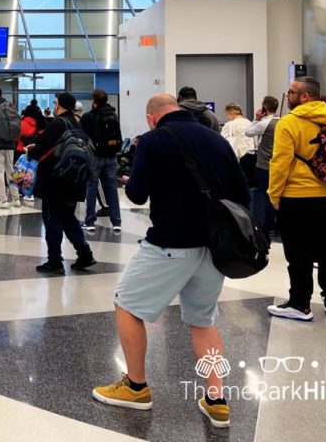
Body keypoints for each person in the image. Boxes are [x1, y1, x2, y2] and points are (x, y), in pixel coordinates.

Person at [93, 94, 249, 429]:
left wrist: (129, 179)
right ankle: (216, 399)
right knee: (203, 321)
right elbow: (243, 194)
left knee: (127, 305)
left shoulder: (152, 141)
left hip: (169, 244)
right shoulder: (216, 139)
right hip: (213, 248)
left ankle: (135, 386)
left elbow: (136, 193)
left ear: (152, 117)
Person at [267, 76, 326, 321]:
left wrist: (274, 195)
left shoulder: (289, 123)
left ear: (305, 96)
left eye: (292, 92)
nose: (288, 95)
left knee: (299, 252)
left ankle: (300, 303)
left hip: (299, 196)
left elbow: (280, 163)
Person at [27, 93, 97, 275]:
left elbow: (43, 147)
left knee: (52, 220)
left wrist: (31, 152)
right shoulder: (76, 123)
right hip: (74, 180)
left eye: (55, 103)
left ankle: (55, 260)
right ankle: (85, 254)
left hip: (55, 180)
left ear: (59, 105)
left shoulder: (58, 123)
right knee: (67, 217)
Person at [80, 89, 123, 233]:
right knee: (111, 188)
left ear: (94, 101)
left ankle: (90, 221)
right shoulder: (113, 115)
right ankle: (116, 221)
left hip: (94, 157)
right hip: (111, 156)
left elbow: (83, 138)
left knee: (91, 188)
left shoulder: (87, 117)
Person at [244, 96, 280, 233]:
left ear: (264, 107)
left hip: (264, 166)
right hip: (279, 165)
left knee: (266, 196)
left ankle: (267, 225)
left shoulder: (264, 123)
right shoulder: (282, 121)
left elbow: (248, 132)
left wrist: (256, 118)